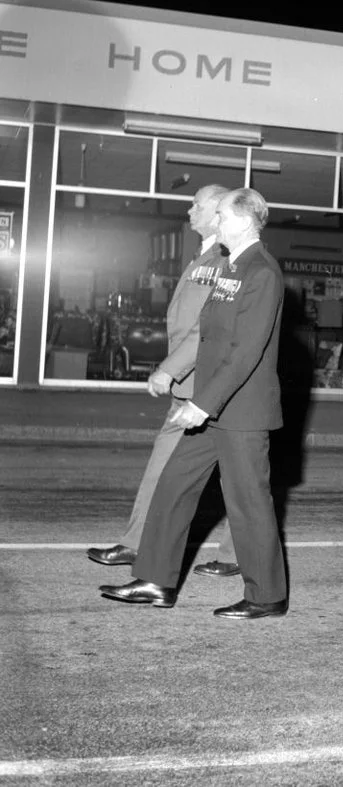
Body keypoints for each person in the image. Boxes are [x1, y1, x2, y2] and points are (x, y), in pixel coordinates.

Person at [99, 188, 288, 619]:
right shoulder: (230, 267)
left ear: (242, 220)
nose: (215, 221)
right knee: (173, 484)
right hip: (214, 405)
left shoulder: (262, 271)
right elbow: (209, 337)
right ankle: (154, 581)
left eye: (221, 214)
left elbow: (245, 352)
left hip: (240, 411)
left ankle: (267, 596)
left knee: (248, 502)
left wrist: (202, 405)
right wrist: (184, 381)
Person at [86, 184, 237, 575]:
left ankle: (238, 554)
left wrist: (170, 368)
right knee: (174, 466)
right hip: (192, 387)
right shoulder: (203, 256)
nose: (189, 211)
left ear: (219, 212)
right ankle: (137, 543)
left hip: (211, 388)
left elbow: (208, 328)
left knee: (240, 478)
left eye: (196, 205)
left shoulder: (227, 261)